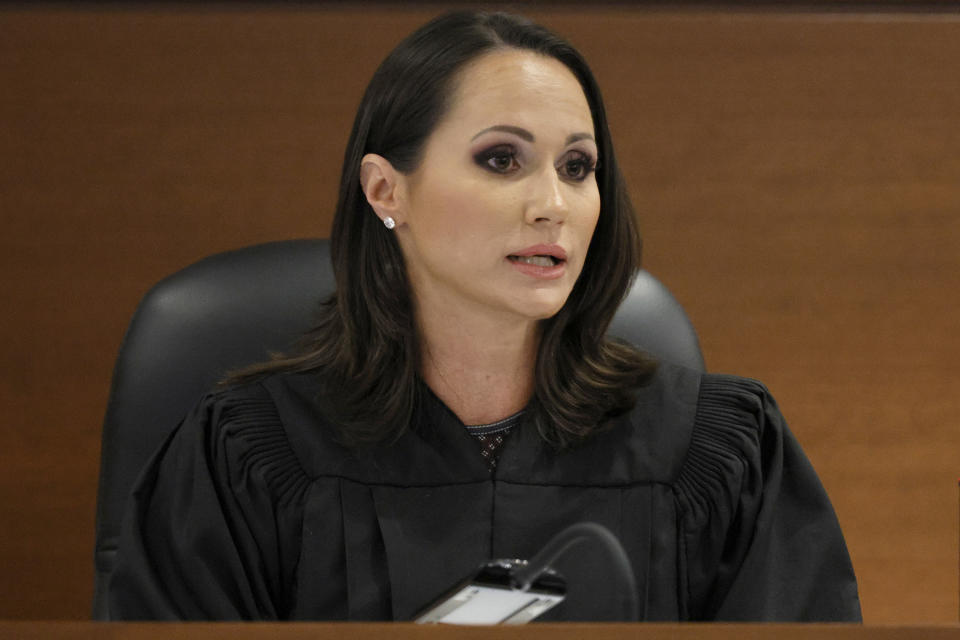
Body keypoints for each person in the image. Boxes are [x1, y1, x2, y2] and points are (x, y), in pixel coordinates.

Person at [107, 11, 861, 622]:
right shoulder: (246, 458)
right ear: (384, 191)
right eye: (502, 159)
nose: (553, 205)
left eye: (577, 167)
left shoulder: (720, 453)